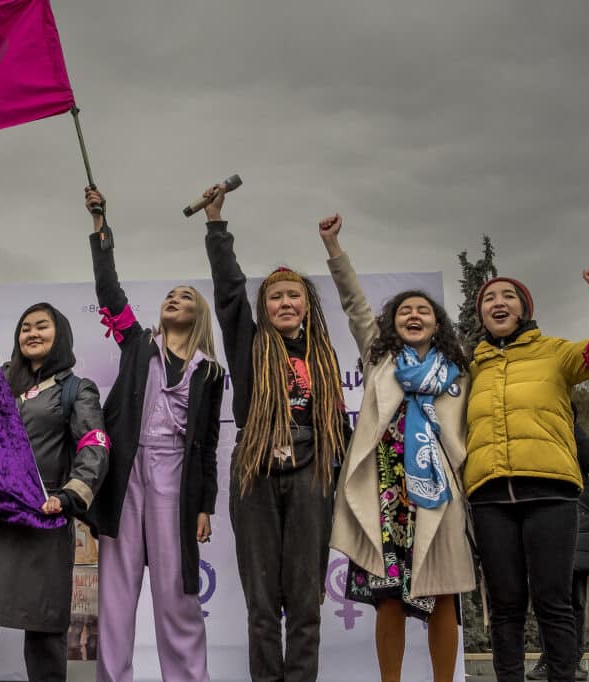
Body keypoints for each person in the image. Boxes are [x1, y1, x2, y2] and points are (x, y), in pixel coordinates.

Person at [199, 185, 350, 681]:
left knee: (305, 602)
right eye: (276, 296)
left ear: (307, 305)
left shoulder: (323, 353)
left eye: (294, 295)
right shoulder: (249, 340)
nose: (285, 302)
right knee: (262, 605)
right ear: (264, 305)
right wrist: (217, 223)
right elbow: (226, 290)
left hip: (313, 471)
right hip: (257, 465)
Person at [318, 215, 475, 682]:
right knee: (388, 596)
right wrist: (333, 245)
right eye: (404, 311)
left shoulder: (459, 373)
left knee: (444, 591)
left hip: (439, 492)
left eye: (423, 311)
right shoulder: (380, 359)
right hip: (385, 491)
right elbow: (355, 305)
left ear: (436, 324)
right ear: (392, 323)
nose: (413, 316)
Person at [84, 188, 224, 682]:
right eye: (170, 295)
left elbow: (207, 446)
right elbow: (110, 293)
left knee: (177, 593)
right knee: (117, 595)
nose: (174, 299)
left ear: (198, 314)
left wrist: (205, 505)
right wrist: (101, 227)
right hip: (127, 474)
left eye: (185, 297)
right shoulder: (137, 343)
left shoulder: (211, 372)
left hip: (176, 479)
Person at [465, 268, 589, 682]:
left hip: (551, 493)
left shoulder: (556, 353)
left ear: (524, 309)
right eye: (489, 299)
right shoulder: (471, 369)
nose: (498, 303)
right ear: (480, 313)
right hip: (489, 499)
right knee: (505, 606)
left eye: (509, 296)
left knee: (553, 601)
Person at [0, 303, 109, 682]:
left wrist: (66, 498)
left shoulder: (76, 390)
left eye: (42, 326)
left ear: (60, 334)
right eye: (25, 327)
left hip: (40, 515)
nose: (32, 333)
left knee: (45, 630)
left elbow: (94, 447)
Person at [527, 407, 589, 681]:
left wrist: (571, 424)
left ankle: (570, 659)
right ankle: (554, 658)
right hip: (552, 521)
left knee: (571, 600)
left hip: (577, 528)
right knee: (552, 596)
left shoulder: (570, 432)